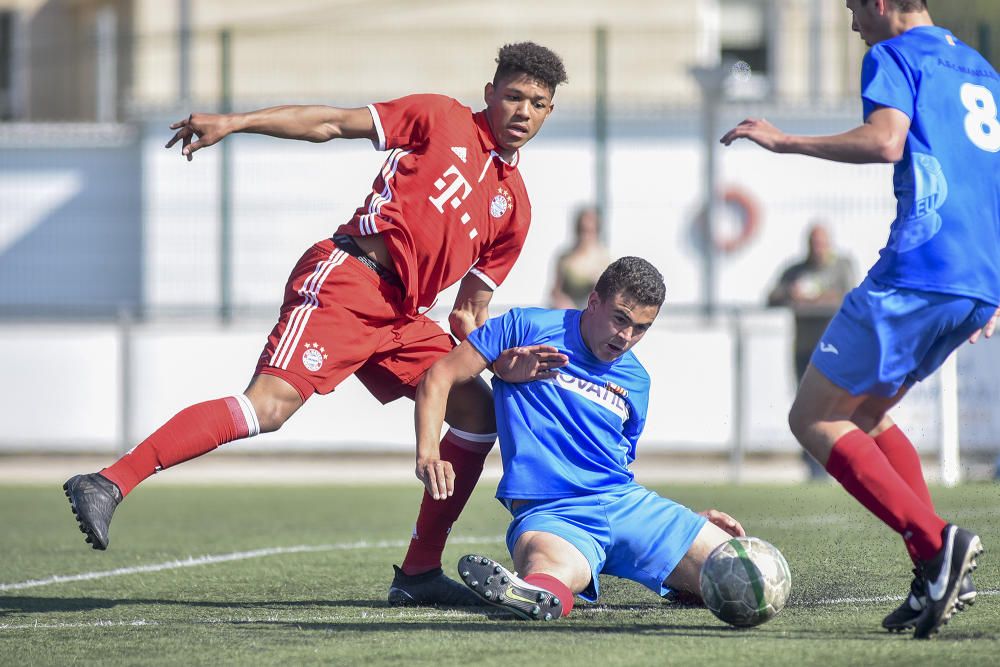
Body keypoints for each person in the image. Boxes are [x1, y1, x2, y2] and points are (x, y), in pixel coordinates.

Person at [62, 42, 568, 608]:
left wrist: (502, 363)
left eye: (538, 103)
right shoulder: (440, 116)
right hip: (350, 279)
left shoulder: (515, 206)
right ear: (490, 95)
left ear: (549, 112)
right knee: (268, 408)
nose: (523, 111)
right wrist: (235, 122)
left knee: (478, 410)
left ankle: (419, 574)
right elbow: (331, 122)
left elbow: (469, 314)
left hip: (404, 317)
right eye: (514, 96)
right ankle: (108, 482)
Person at [721, 0, 998, 639]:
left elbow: (884, 140)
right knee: (867, 416)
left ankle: (936, 543)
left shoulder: (893, 55)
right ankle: (931, 574)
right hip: (976, 277)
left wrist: (784, 141)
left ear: (878, 2)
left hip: (920, 269)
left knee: (813, 417)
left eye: (852, 8)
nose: (852, 24)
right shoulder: (983, 70)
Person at [412, 257, 746, 620]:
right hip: (552, 513)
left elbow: (615, 466)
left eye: (641, 328)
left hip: (624, 504)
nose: (626, 337)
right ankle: (531, 594)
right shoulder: (525, 326)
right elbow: (439, 376)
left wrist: (685, 520)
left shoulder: (638, 382)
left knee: (743, 571)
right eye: (620, 318)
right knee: (550, 574)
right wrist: (429, 453)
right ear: (593, 301)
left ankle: (684, 572)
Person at [767, 222, 856, 480]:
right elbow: (772, 297)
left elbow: (851, 296)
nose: (817, 248)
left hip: (834, 350)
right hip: (804, 350)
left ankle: (841, 463)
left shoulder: (841, 266)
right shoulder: (795, 270)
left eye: (822, 242)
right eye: (813, 242)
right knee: (806, 410)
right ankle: (814, 467)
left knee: (835, 408)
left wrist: (821, 299)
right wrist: (792, 295)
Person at [549, 205, 610, 309]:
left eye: (590, 231)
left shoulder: (603, 259)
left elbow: (606, 296)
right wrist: (563, 302)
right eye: (582, 230)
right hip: (565, 313)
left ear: (597, 231)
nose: (585, 235)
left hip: (590, 314)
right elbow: (555, 290)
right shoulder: (565, 257)